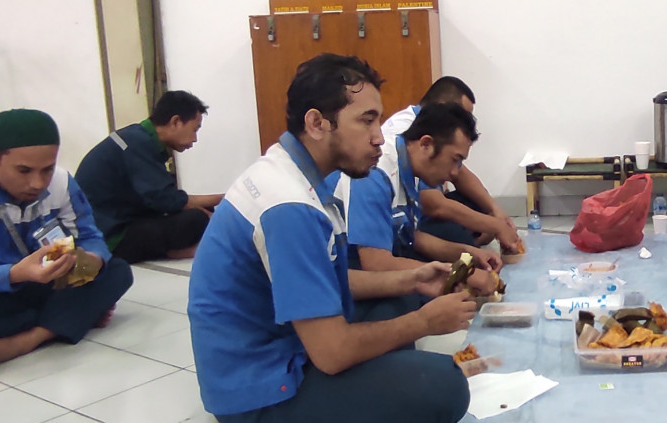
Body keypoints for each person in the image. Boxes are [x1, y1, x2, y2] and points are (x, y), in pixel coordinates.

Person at [188, 54, 475, 422]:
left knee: (399, 302)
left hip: (286, 349)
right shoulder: (289, 206)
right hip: (261, 390)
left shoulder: (296, 176)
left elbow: (322, 279)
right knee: (444, 384)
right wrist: (426, 323)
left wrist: (413, 278)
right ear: (316, 123)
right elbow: (332, 353)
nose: (379, 137)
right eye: (367, 121)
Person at [0, 109, 132, 374]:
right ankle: (69, 318)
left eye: (47, 169)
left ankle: (25, 341)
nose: (37, 183)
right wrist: (13, 274)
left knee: (117, 271)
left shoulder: (61, 183)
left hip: (46, 283)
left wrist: (91, 260)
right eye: (24, 171)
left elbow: (91, 237)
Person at [334, 103, 502, 291]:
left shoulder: (410, 167)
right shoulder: (376, 173)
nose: (455, 172)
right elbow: (376, 263)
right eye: (454, 160)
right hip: (346, 274)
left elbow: (410, 236)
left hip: (377, 258)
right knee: (419, 297)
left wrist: (468, 254)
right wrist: (460, 274)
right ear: (426, 144)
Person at [75, 91, 222, 263]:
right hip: (109, 236)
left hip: (121, 217)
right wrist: (224, 199)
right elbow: (167, 200)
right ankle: (171, 252)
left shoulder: (138, 137)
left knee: (205, 210)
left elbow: (167, 198)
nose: (195, 139)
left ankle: (173, 250)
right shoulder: (138, 143)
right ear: (175, 122)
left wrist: (214, 205)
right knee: (196, 219)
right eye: (194, 129)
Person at [379, 77, 522, 252]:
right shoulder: (396, 146)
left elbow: (461, 174)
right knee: (457, 238)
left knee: (479, 207)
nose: (454, 171)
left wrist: (495, 211)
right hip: (419, 216)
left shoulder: (424, 138)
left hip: (411, 221)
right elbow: (433, 205)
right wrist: (493, 225)